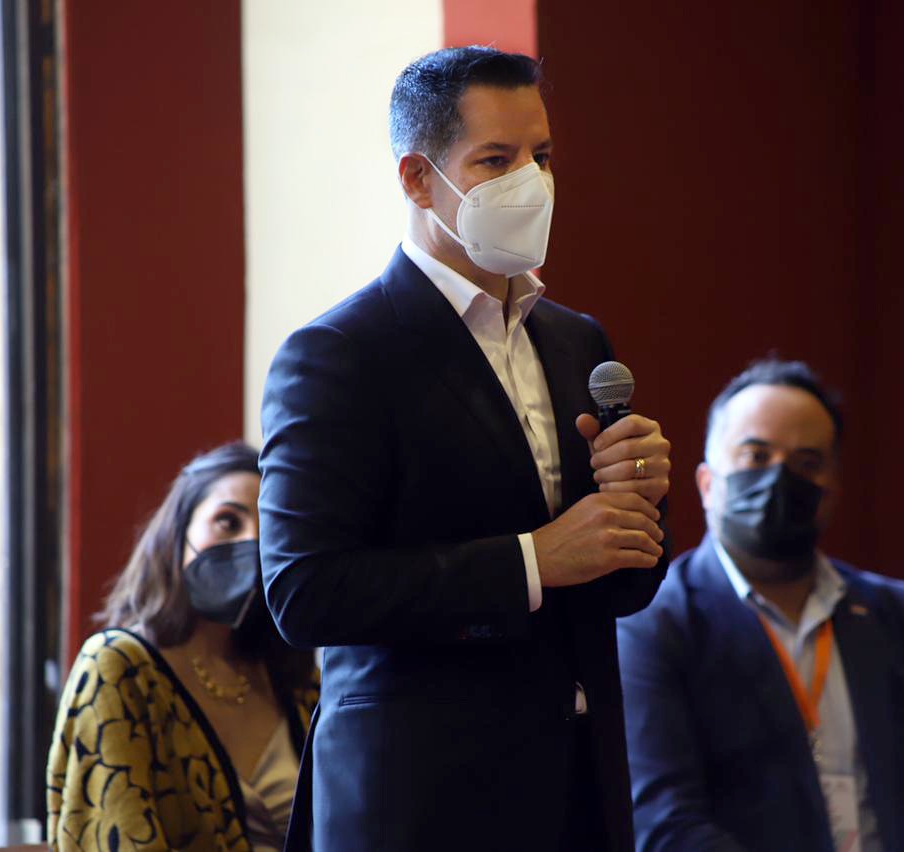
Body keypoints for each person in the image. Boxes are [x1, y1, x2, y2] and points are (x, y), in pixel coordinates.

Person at [258, 46, 672, 852]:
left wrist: (640, 502)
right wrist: (531, 561)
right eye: (496, 160)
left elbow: (622, 589)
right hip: (420, 801)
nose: (532, 182)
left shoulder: (576, 340)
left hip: (577, 789)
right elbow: (304, 591)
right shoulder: (340, 354)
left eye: (541, 156)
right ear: (418, 179)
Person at [617, 358, 904, 852]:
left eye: (807, 463)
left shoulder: (899, 614)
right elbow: (665, 823)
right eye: (756, 456)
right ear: (707, 483)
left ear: (830, 489)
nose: (780, 478)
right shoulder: (656, 621)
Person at [46, 442, 319, 852]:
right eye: (228, 521)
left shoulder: (296, 682)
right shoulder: (117, 668)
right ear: (177, 535)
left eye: (268, 530)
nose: (250, 543)